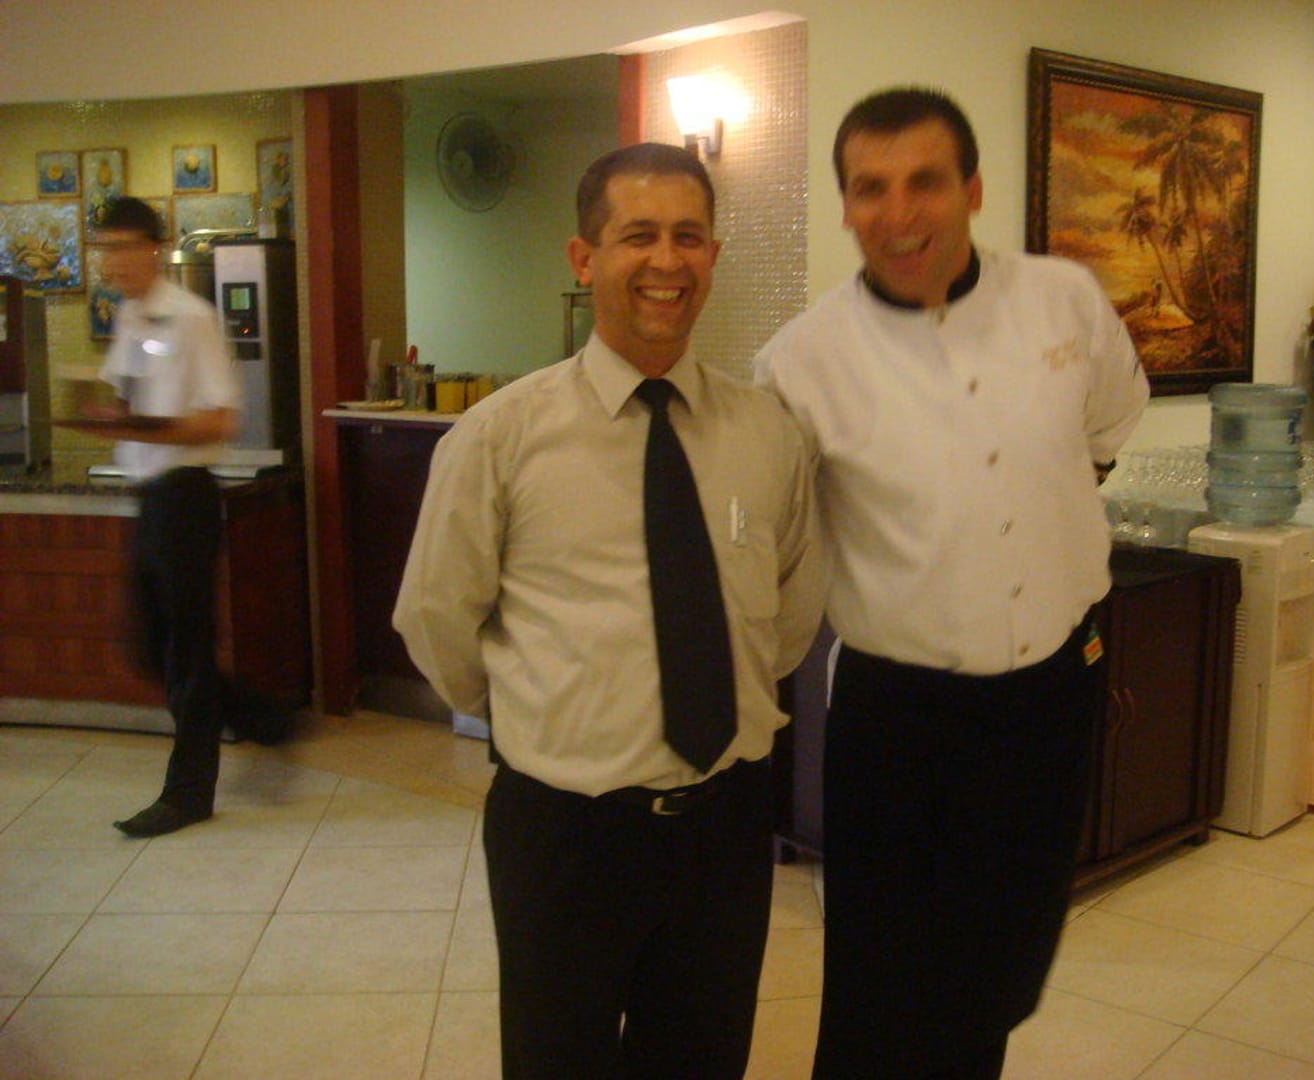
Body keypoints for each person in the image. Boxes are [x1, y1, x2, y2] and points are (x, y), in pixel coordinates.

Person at [394, 142, 825, 1079]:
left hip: (725, 823)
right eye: (639, 236)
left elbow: (791, 611)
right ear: (584, 258)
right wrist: (537, 710)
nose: (667, 261)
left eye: (689, 236)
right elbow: (435, 617)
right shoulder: (502, 436)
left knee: (702, 1060)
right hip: (565, 832)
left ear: (714, 255)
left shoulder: (768, 433)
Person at [754, 88, 1151, 1079]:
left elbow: (1103, 432)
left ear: (972, 189)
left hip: (1053, 696)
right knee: (883, 986)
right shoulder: (800, 362)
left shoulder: (1064, 300)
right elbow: (782, 536)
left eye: (925, 181)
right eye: (870, 188)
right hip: (903, 717)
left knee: (1002, 969)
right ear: (845, 206)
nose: (899, 214)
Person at [87, 196, 245, 838]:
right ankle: (262, 716)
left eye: (124, 247)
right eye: (105, 249)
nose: (113, 261)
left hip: (186, 494)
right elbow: (125, 399)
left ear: (154, 248)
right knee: (151, 647)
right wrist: (109, 417)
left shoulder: (192, 318)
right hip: (150, 495)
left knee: (186, 651)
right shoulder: (131, 316)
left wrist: (143, 428)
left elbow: (221, 419)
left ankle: (188, 793)